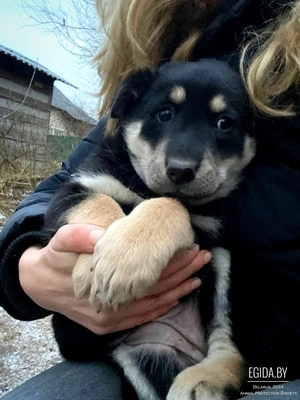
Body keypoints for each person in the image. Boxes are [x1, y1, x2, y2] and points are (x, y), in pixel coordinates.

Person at [0, 0, 299, 399]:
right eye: (163, 115)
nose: (180, 162)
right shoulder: (168, 58)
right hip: (125, 355)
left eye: (224, 123)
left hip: (269, 368)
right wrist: (26, 267)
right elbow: (63, 189)